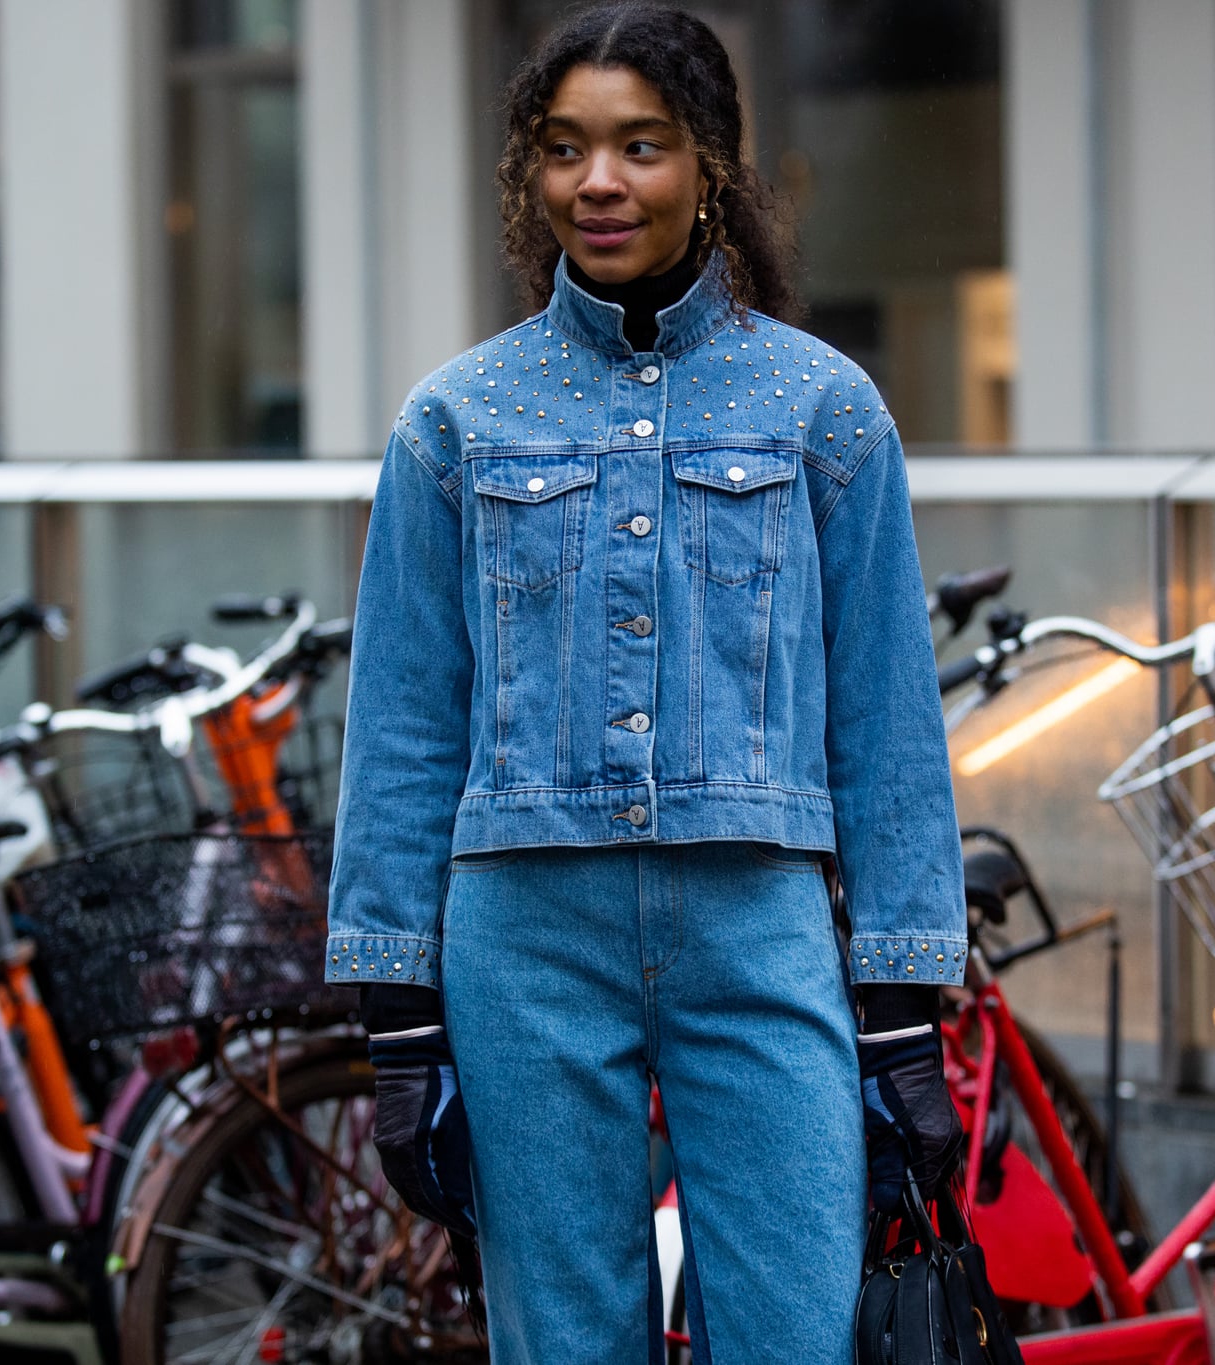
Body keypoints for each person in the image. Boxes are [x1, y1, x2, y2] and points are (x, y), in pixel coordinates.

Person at [326, 4, 966, 1359]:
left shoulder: (824, 410)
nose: (599, 182)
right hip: (525, 945)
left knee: (796, 1329)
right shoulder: (453, 421)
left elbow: (889, 720)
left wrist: (903, 1002)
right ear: (528, 174)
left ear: (710, 165)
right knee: (566, 1340)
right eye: (564, 149)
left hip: (761, 931)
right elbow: (400, 724)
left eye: (640, 146)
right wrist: (398, 1019)